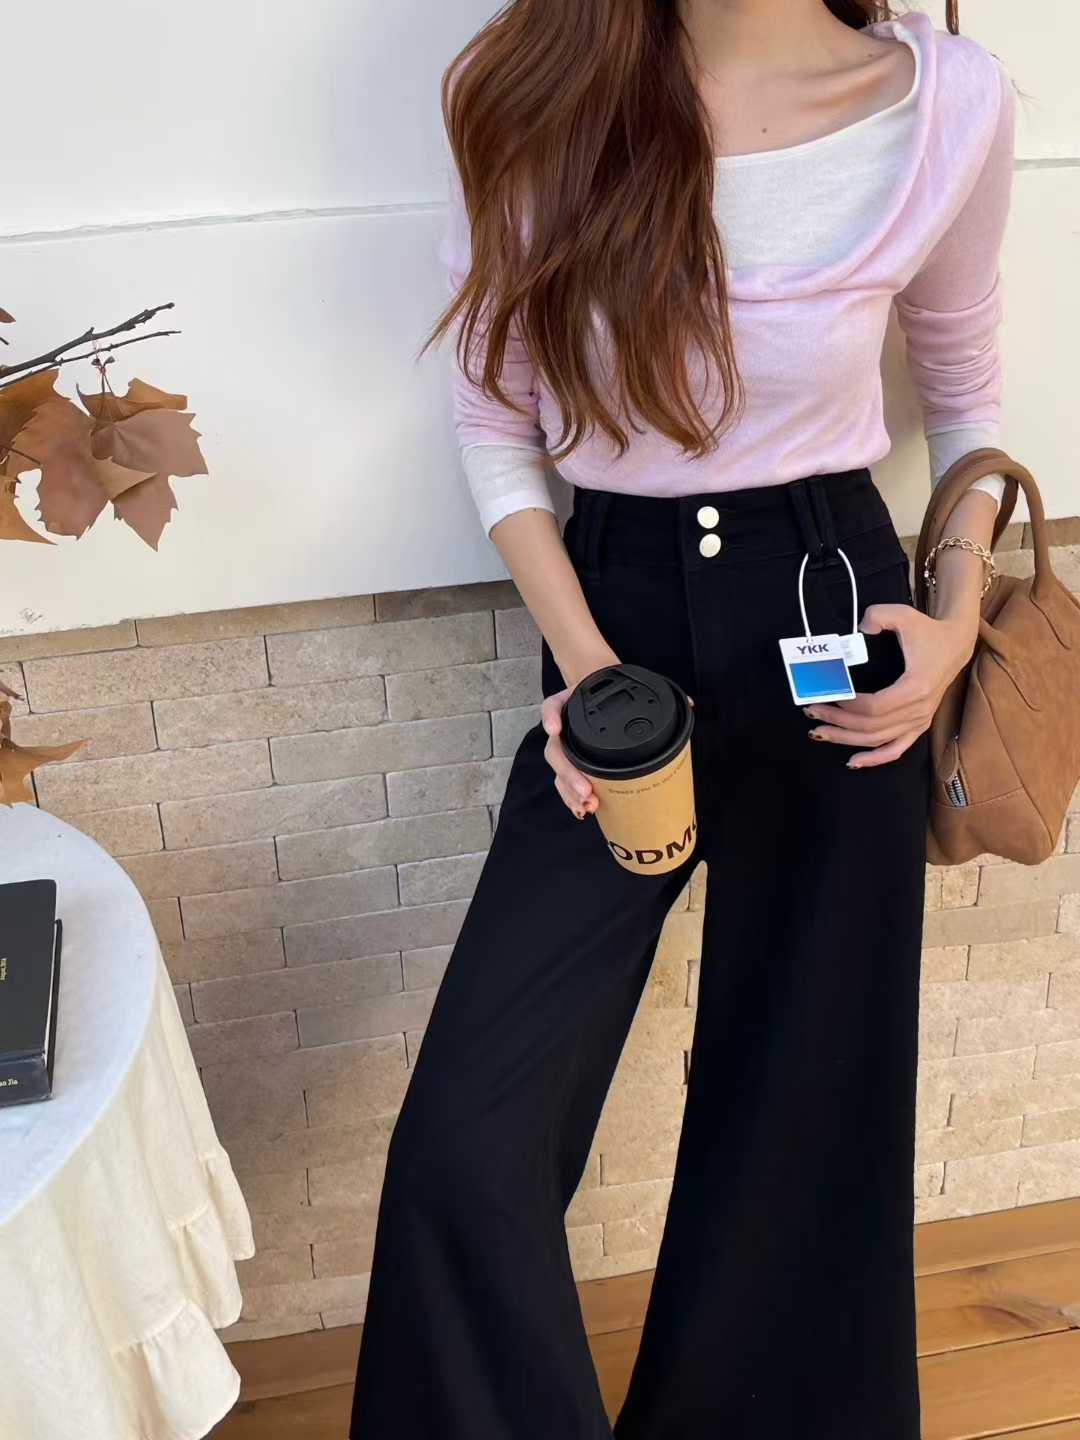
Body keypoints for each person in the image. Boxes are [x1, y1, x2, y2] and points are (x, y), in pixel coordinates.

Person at [350, 2, 1016, 1436]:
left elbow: (964, 393)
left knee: (807, 1120)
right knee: (471, 1134)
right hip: (619, 629)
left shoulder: (947, 100)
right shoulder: (534, 83)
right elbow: (495, 421)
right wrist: (593, 674)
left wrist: (956, 616)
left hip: (834, 620)